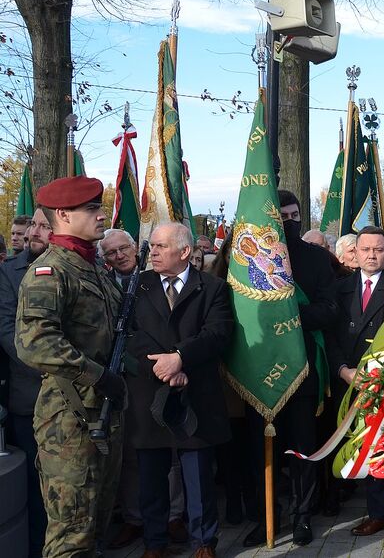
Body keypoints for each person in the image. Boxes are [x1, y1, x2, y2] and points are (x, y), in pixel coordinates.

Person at [15, 176, 124, 557]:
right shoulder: (51, 272)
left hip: (104, 415)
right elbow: (35, 343)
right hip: (69, 419)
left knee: (96, 528)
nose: (101, 216)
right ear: (62, 214)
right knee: (71, 536)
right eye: (91, 209)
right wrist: (98, 375)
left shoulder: (94, 269)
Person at [124, 223, 233, 558]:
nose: (152, 252)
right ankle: (154, 542)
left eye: (159, 246)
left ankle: (204, 541)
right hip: (150, 390)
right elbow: (129, 334)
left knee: (198, 473)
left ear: (184, 252)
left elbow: (218, 333)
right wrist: (163, 367)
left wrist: (181, 359)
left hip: (196, 391)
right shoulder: (136, 286)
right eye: (151, 246)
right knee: (152, 473)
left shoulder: (212, 287)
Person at [244, 190, 338, 548]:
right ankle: (267, 515)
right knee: (260, 449)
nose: (288, 221)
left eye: (294, 214)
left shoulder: (315, 259)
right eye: (280, 216)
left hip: (302, 369)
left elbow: (329, 309)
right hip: (259, 369)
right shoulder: (250, 261)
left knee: (302, 448)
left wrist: (287, 315)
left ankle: (302, 517)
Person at [100, 228, 189, 551]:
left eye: (123, 248)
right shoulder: (103, 282)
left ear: (136, 247)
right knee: (131, 455)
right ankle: (136, 519)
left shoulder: (156, 278)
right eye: (110, 253)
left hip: (160, 376)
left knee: (170, 452)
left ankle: (174, 516)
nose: (119, 255)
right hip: (119, 380)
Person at [329, 226, 384, 537]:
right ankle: (376, 512)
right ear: (354, 252)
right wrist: (343, 369)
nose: (371, 255)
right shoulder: (340, 288)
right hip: (352, 382)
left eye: (378, 249)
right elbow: (331, 336)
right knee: (367, 448)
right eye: (365, 249)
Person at [0, 209, 51, 556]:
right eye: (32, 224)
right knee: (33, 487)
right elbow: (6, 330)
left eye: (43, 226)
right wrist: (48, 365)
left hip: (76, 400)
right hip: (29, 395)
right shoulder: (9, 272)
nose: (33, 232)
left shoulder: (84, 270)